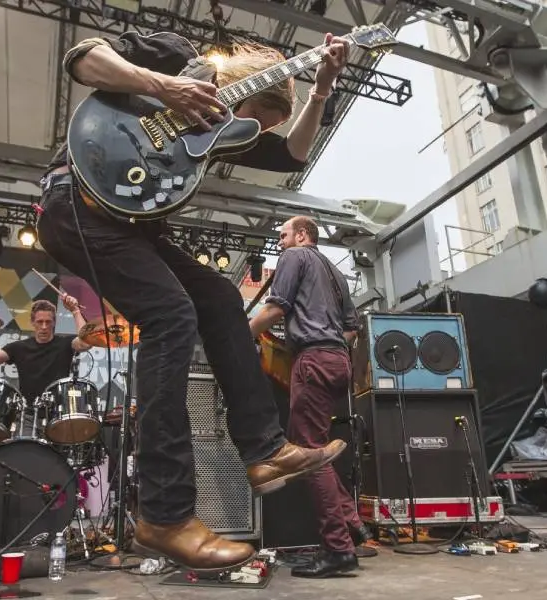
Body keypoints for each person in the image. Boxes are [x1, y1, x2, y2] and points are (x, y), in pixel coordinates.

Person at [35, 31, 349, 572]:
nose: (255, 133)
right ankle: (165, 514)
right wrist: (165, 87)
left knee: (221, 298)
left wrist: (320, 90)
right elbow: (83, 59)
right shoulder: (182, 59)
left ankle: (265, 451)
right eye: (258, 119)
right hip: (76, 201)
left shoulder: (234, 129)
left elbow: (294, 153)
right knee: (171, 316)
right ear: (245, 91)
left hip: (133, 225)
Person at [248, 216, 369, 577]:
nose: (280, 242)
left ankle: (338, 549)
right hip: (338, 362)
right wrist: (327, 343)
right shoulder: (336, 273)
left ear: (302, 235)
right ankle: (352, 525)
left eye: (283, 234)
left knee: (306, 456)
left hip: (313, 361)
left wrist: (237, 334)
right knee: (316, 452)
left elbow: (276, 308)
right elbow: (351, 329)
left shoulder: (294, 257)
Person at [0, 294, 90, 404]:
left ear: (54, 322)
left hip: (57, 411)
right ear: (32, 322)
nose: (44, 327)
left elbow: (86, 343)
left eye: (48, 322)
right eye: (40, 322)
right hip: (27, 413)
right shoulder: (19, 347)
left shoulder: (65, 343)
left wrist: (75, 311)